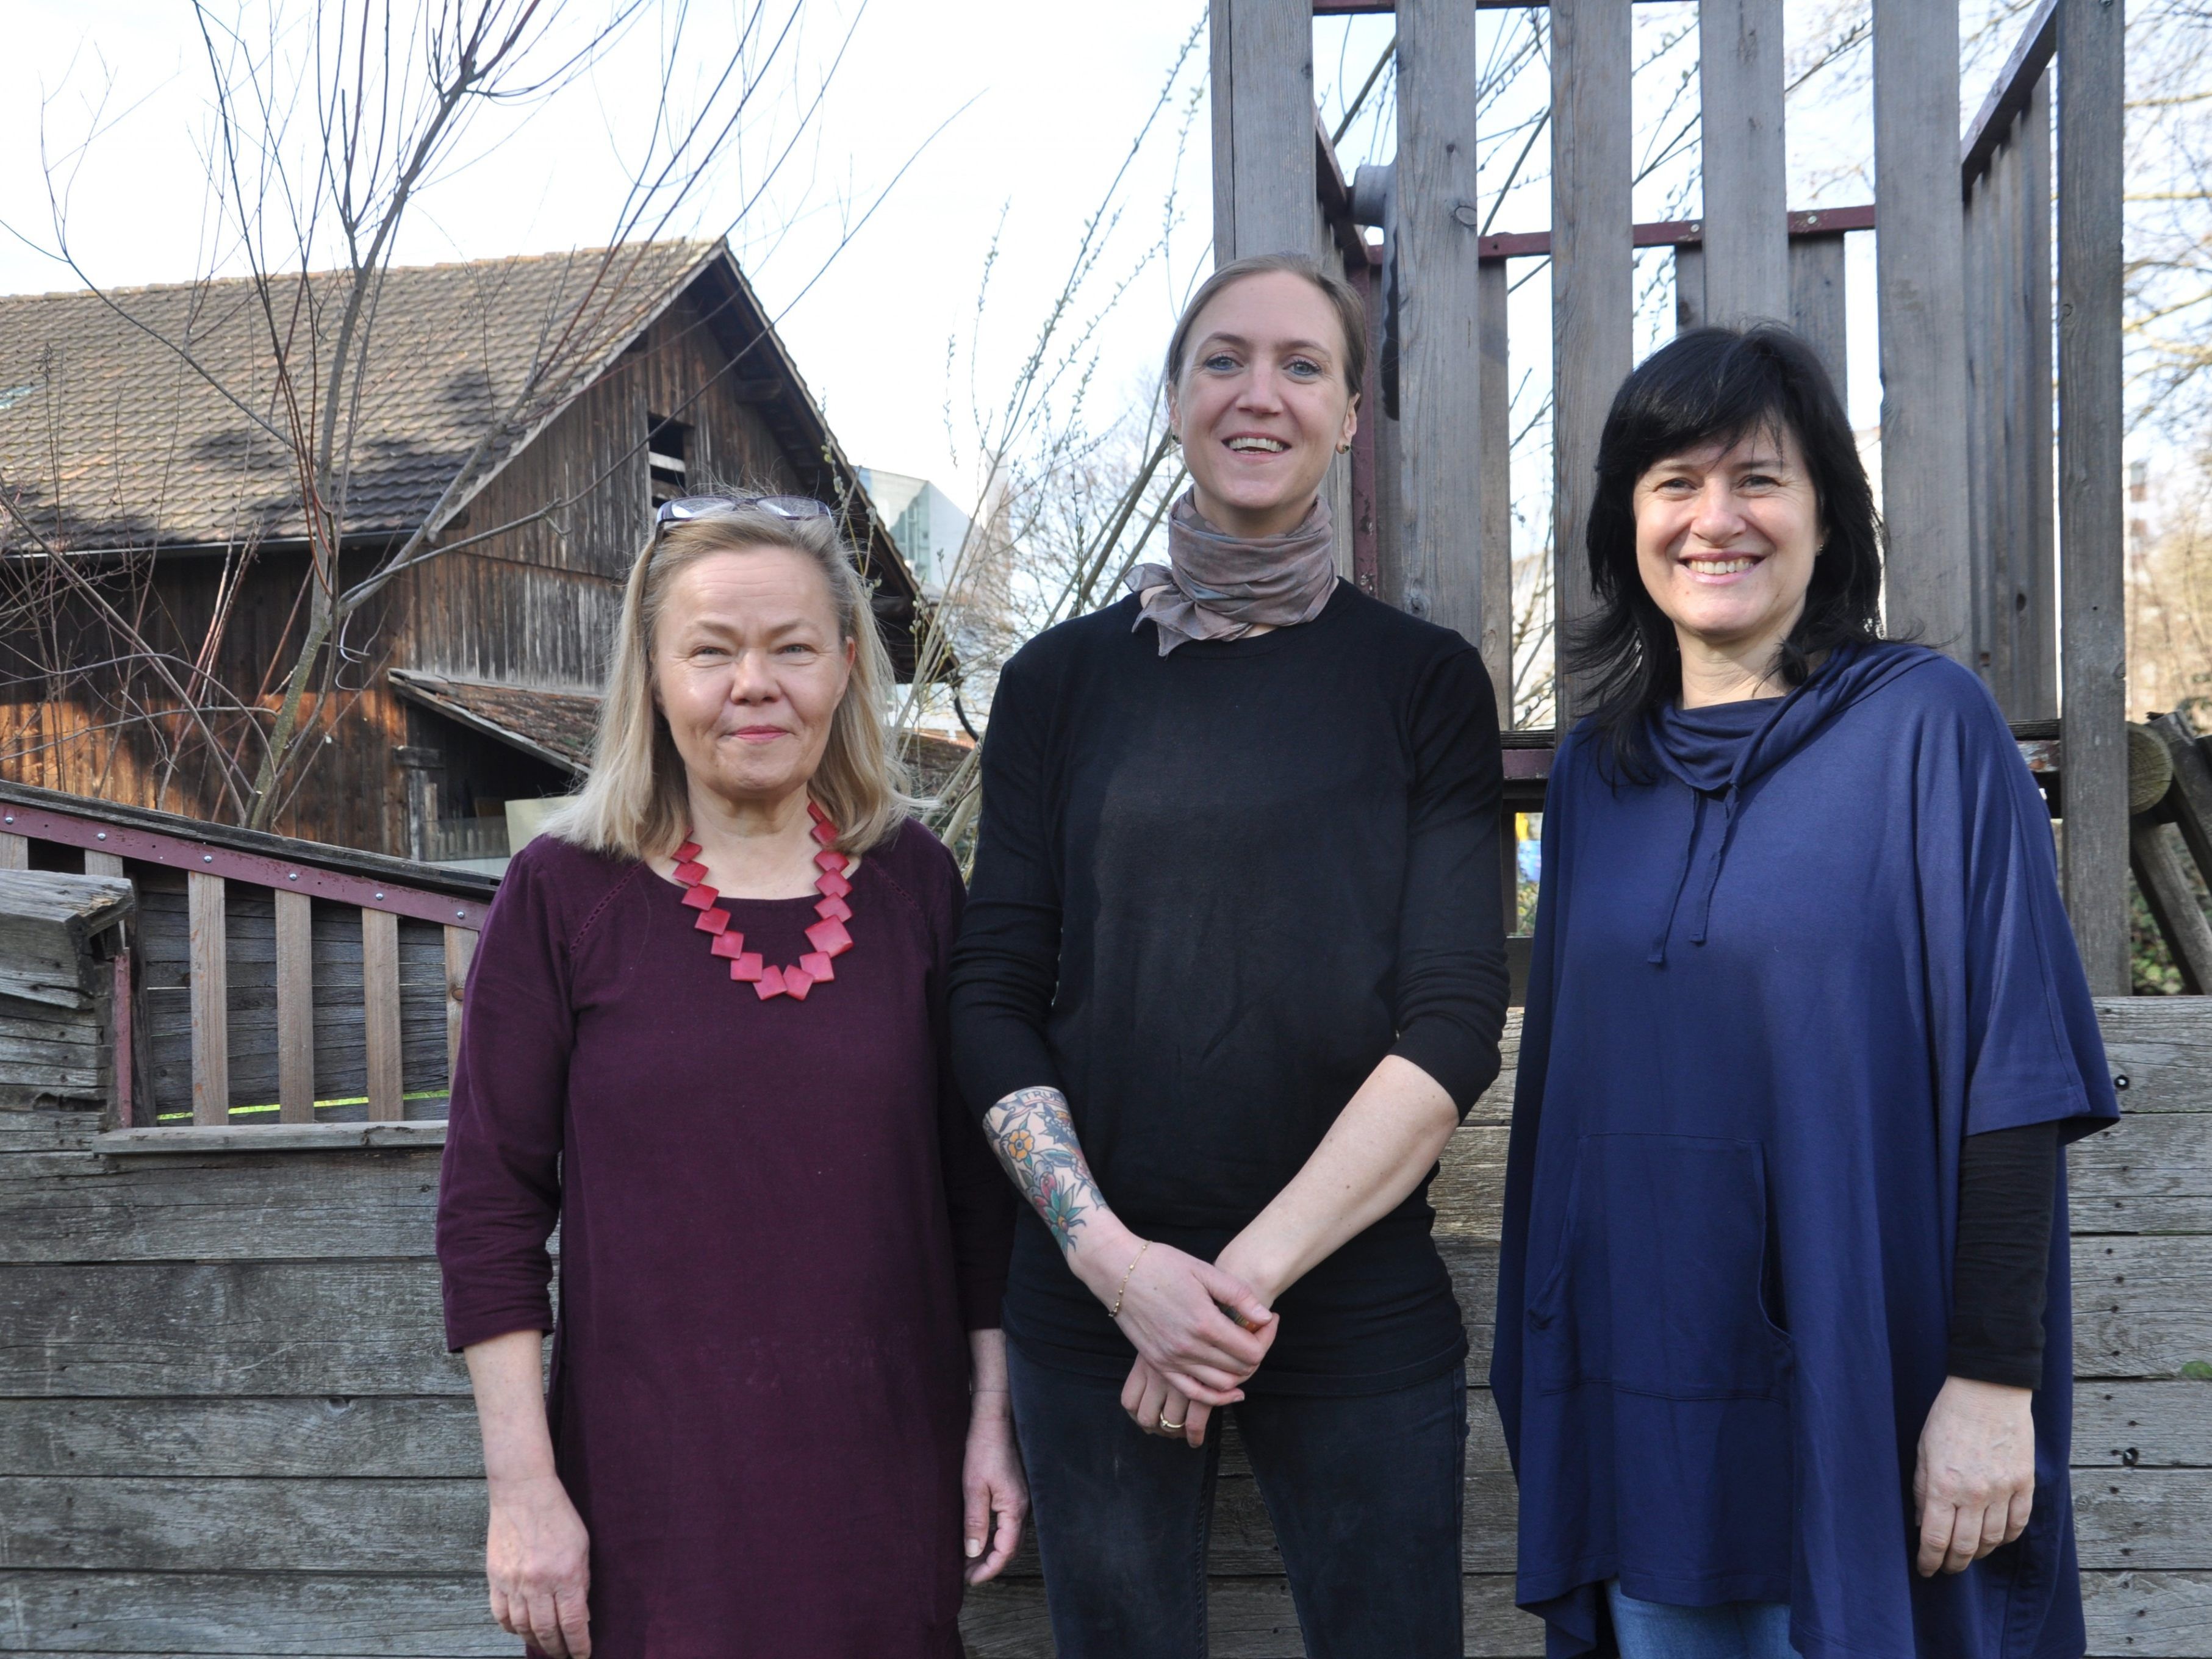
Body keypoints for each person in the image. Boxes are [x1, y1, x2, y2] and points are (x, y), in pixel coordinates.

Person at [1493, 324, 2119, 1659]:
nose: (1715, 518)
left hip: (1871, 1391)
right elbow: (1569, 1117)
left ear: (1826, 513)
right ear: (1627, 522)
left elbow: (2017, 1076)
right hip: (1649, 1406)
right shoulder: (1597, 783)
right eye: (1673, 482)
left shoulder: (1928, 729)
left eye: (1757, 479)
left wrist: (1992, 1384)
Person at [948, 252, 1510, 1659]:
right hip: (1092, 1302)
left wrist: (1228, 1286)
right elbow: (992, 995)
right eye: (1223, 359)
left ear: (1346, 416)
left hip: (1352, 1294)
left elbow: (1452, 1018)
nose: (1259, 392)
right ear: (1175, 399)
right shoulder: (1056, 685)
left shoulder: (1423, 682)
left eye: (1302, 365)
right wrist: (1122, 1269)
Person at [434, 492, 1022, 1659]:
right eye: (711, 651)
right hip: (650, 1509)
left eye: (792, 648)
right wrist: (523, 1492)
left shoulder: (914, 887)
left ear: (848, 666)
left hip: (884, 1490)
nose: (754, 684)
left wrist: (993, 1422)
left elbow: (978, 1196)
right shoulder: (563, 893)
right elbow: (490, 1209)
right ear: (652, 677)